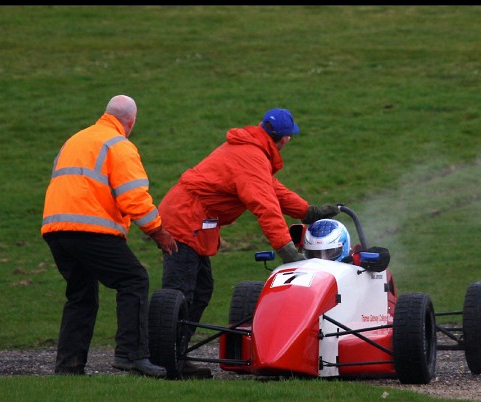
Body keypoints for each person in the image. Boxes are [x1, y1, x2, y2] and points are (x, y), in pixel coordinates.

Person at [156, 108, 339, 378]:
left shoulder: (250, 151)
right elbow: (265, 207)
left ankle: (173, 355)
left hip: (189, 219)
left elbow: (271, 189)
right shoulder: (251, 157)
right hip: (185, 221)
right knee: (181, 293)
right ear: (286, 139)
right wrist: (288, 252)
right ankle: (166, 361)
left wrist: (307, 212)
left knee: (201, 289)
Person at [41, 94, 178, 378]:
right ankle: (131, 355)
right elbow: (134, 197)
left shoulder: (75, 140)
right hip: (91, 228)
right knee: (134, 279)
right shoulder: (119, 145)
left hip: (56, 229)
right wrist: (158, 232)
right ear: (131, 121)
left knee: (81, 294)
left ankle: (68, 366)